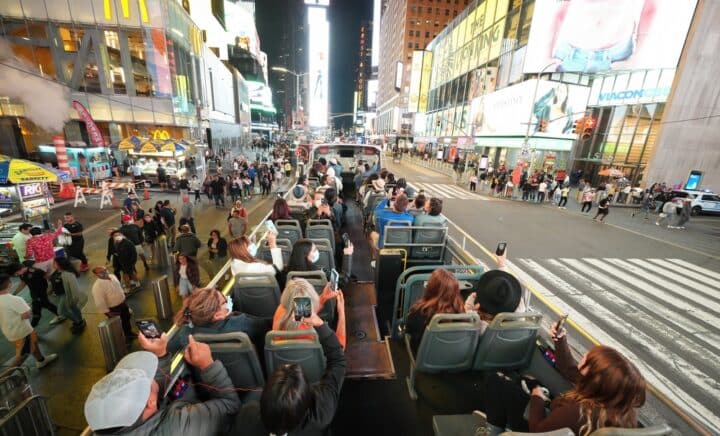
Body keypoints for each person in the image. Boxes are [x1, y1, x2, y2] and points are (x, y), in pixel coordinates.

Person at [482, 323, 646, 435]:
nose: (582, 358)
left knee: (498, 384)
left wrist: (537, 396)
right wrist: (560, 342)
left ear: (594, 379)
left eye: (585, 360)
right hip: (556, 424)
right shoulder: (622, 410)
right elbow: (571, 371)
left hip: (540, 428)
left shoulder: (577, 412)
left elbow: (537, 430)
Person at [84, 333, 241, 434]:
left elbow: (147, 393)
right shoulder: (179, 426)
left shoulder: (106, 424)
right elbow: (231, 406)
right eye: (148, 379)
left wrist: (161, 355)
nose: (153, 376)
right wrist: (208, 365)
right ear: (151, 403)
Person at [261, 307, 346, 435]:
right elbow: (338, 361)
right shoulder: (321, 414)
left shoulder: (247, 417)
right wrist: (320, 324)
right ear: (307, 397)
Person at [168, 287, 271, 355]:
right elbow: (269, 327)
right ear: (217, 315)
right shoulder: (242, 323)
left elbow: (169, 348)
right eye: (224, 302)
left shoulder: (185, 334)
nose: (227, 300)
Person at [0, 274, 58, 368]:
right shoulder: (16, 300)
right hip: (21, 331)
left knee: (33, 343)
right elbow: (26, 315)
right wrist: (28, 308)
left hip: (9, 331)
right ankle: (6, 376)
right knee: (23, 355)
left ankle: (41, 360)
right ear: (9, 284)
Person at [405, 269, 468, 353]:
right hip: (455, 359)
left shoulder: (420, 311)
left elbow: (409, 330)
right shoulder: (462, 313)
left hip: (425, 359)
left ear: (431, 288)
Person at [273, 278, 346, 349]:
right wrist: (341, 312)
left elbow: (303, 312)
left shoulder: (280, 309)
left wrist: (324, 297)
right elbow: (339, 348)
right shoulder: (309, 333)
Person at [9, 260, 63, 327]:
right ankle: (60, 315)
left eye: (16, 273)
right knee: (45, 305)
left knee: (39, 309)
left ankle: (31, 328)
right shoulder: (22, 274)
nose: (16, 275)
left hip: (41, 293)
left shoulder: (36, 271)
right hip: (34, 293)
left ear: (20, 269)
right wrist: (14, 293)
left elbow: (48, 278)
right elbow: (23, 283)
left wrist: (51, 290)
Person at [91, 266, 134, 340]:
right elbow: (99, 302)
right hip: (114, 309)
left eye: (105, 270)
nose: (105, 272)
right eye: (101, 272)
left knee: (126, 319)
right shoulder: (97, 287)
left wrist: (123, 298)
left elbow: (119, 287)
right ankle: (120, 340)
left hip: (122, 303)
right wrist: (108, 312)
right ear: (96, 275)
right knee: (117, 325)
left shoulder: (112, 276)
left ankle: (129, 334)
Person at [50, 257, 87, 333]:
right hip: (62, 294)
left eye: (54, 263)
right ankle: (79, 320)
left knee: (61, 311)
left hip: (66, 295)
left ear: (60, 265)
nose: (52, 264)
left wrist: (74, 299)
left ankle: (78, 321)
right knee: (74, 308)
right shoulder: (57, 271)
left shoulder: (68, 274)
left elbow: (75, 289)